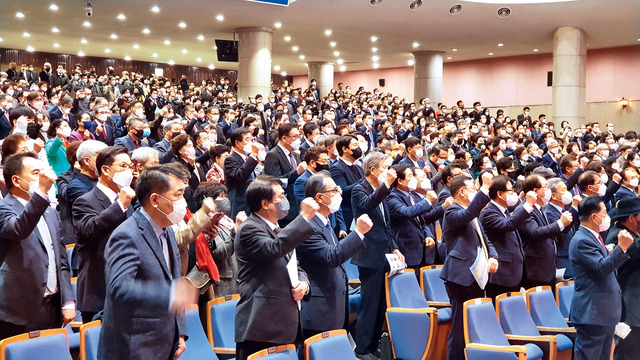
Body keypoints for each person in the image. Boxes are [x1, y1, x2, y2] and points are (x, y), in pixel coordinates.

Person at [99, 164, 196, 360]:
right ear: (155, 200)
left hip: (165, 341)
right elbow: (119, 288)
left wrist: (180, 332)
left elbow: (173, 279)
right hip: (134, 346)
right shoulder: (127, 235)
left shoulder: (166, 228)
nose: (183, 202)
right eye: (178, 195)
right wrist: (168, 294)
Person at [234, 175, 319, 360]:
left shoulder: (276, 228)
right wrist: (303, 216)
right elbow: (274, 249)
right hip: (261, 325)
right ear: (265, 203)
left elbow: (296, 267)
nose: (285, 201)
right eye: (280, 197)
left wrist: (303, 285)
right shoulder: (250, 228)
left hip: (283, 322)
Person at [0, 153, 75, 339]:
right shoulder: (4, 208)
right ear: (17, 181)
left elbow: (61, 259)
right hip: (18, 311)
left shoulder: (49, 211)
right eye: (36, 173)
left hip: (53, 306)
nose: (44, 178)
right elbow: (19, 229)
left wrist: (67, 300)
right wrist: (41, 191)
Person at [298, 171, 371, 338]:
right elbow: (331, 257)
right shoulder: (308, 226)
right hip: (319, 308)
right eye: (334, 190)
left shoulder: (325, 222)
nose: (339, 193)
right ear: (320, 197)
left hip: (333, 302)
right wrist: (358, 233)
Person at [72, 146, 136, 323]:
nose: (129, 171)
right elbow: (89, 230)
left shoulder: (127, 203)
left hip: (127, 289)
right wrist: (119, 206)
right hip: (99, 291)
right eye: (123, 166)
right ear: (106, 170)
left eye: (130, 166)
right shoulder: (84, 201)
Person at [351, 152, 404, 360]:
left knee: (382, 304)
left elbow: (386, 225)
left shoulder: (382, 191)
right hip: (369, 255)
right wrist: (385, 186)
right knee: (370, 304)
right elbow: (367, 205)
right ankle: (362, 349)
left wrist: (395, 247)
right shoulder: (359, 189)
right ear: (373, 170)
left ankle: (373, 346)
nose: (389, 171)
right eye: (385, 167)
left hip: (385, 253)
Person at [440, 172, 498, 360]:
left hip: (478, 274)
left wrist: (493, 257)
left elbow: (485, 241)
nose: (476, 191)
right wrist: (485, 188)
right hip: (460, 276)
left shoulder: (473, 216)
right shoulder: (452, 211)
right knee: (460, 325)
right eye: (473, 188)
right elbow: (467, 213)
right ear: (463, 192)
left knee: (474, 322)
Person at [569, 196, 632, 360]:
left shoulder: (594, 237)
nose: (607, 216)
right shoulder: (582, 240)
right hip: (592, 312)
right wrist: (621, 248)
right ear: (594, 217)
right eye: (604, 212)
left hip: (604, 312)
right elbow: (602, 268)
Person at [480, 175, 537, 298]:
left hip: (514, 271)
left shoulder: (504, 210)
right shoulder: (489, 213)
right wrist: (527, 205)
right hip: (501, 274)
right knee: (500, 312)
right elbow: (508, 225)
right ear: (500, 194)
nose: (513, 194)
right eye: (510, 190)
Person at [386, 163, 444, 275]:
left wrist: (429, 235)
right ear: (400, 181)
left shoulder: (411, 195)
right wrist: (427, 201)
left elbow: (421, 220)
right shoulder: (392, 197)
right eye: (410, 176)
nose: (413, 179)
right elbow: (407, 213)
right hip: (407, 251)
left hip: (423, 250)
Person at [519, 174, 573, 288]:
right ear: (535, 191)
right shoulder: (524, 209)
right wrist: (560, 223)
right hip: (536, 270)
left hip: (547, 267)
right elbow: (535, 232)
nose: (549, 190)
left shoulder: (539, 208)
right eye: (545, 187)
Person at [605, 197, 640, 360]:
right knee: (627, 351)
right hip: (627, 305)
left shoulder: (633, 234)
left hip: (634, 303)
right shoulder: (619, 236)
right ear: (632, 217)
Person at [263, 123, 307, 226]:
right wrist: (296, 172)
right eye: (295, 136)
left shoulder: (295, 155)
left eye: (299, 136)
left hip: (298, 205)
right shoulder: (272, 155)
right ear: (284, 138)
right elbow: (275, 181)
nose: (298, 139)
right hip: (285, 208)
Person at [545, 178, 581, 278]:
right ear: (554, 195)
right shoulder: (549, 212)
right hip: (562, 257)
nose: (567, 193)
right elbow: (562, 230)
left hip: (571, 255)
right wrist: (574, 208)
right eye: (563, 190)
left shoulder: (563, 210)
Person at [224, 128, 263, 218]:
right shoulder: (230, 159)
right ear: (237, 143)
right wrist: (253, 155)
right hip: (239, 202)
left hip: (250, 200)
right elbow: (240, 175)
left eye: (251, 139)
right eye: (247, 140)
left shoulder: (246, 157)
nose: (250, 143)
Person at [330, 134, 364, 229]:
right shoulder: (336, 168)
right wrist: (365, 180)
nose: (358, 148)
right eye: (355, 145)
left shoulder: (357, 166)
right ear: (345, 149)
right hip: (349, 214)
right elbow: (343, 191)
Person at [172, 133, 207, 212]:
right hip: (190, 203)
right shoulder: (177, 165)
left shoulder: (197, 163)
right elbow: (184, 177)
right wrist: (190, 165)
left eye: (192, 146)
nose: (192, 148)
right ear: (180, 150)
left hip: (202, 200)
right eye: (188, 146)